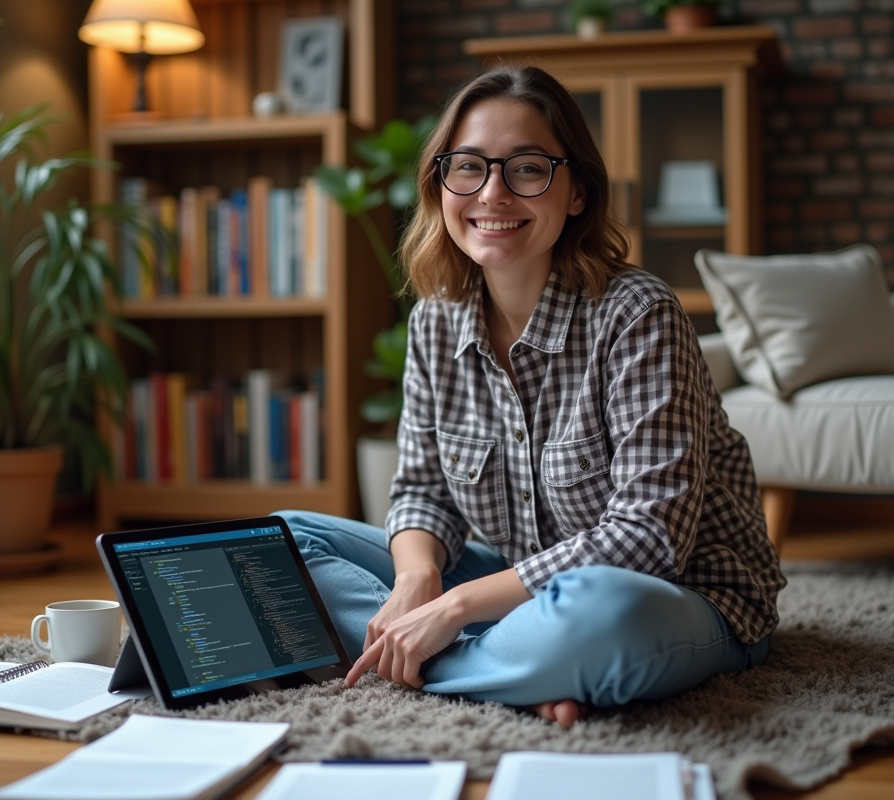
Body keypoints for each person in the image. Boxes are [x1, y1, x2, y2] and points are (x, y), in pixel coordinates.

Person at [281, 64, 785, 728]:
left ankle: (476, 657)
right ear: (441, 184)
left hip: (681, 596)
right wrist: (416, 582)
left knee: (600, 617)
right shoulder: (435, 320)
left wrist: (456, 607)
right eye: (469, 167)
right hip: (524, 588)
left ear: (576, 192)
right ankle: (514, 668)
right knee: (283, 540)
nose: (492, 193)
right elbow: (423, 491)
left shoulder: (638, 314)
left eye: (526, 169)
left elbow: (650, 540)